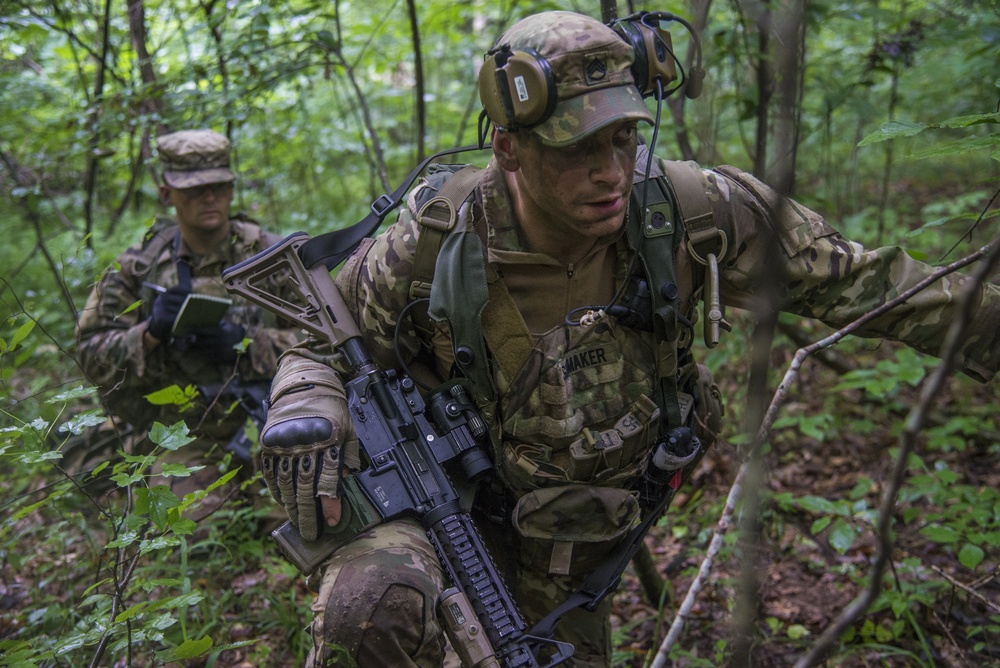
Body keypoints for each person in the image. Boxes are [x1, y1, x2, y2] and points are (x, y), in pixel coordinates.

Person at [257, 11, 1000, 668]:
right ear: (509, 151)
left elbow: (876, 287)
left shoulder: (691, 212)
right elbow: (314, 337)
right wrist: (305, 402)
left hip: (589, 524)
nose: (610, 172)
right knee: (371, 607)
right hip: (454, 503)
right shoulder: (436, 242)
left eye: (622, 139)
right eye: (578, 149)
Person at [76, 129, 302, 518]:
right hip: (183, 431)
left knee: (297, 524)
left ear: (231, 188)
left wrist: (248, 343)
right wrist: (150, 334)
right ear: (167, 194)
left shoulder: (273, 256)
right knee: (191, 535)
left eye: (218, 186)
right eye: (195, 189)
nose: (210, 197)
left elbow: (333, 341)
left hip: (276, 418)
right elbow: (88, 354)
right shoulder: (136, 268)